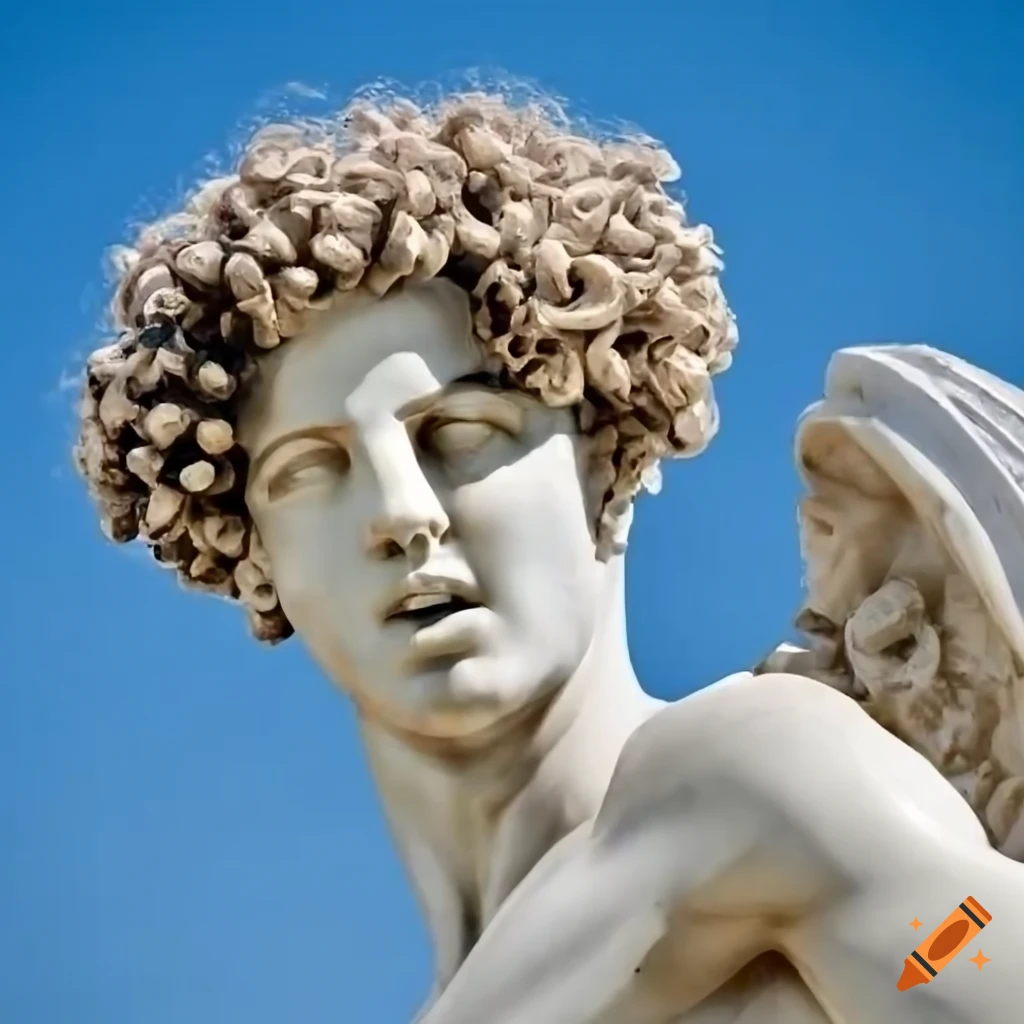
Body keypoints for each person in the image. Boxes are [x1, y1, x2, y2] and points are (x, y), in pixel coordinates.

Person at [74, 89, 1024, 1021]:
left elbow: (967, 953)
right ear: (255, 555)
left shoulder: (773, 778)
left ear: (607, 460)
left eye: (460, 432)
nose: (403, 515)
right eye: (310, 469)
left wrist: (917, 947)